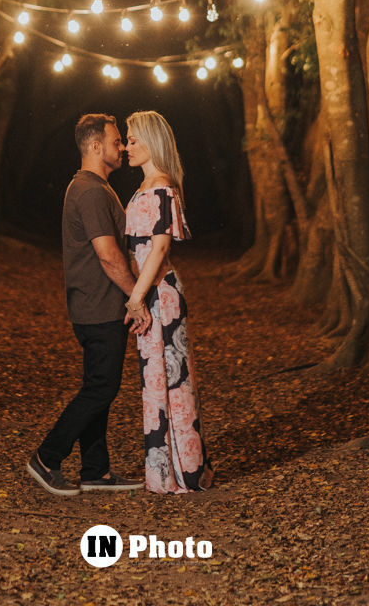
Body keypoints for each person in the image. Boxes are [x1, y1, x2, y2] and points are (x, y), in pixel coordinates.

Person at [27, 113, 149, 497]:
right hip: (99, 306)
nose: (122, 147)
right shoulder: (92, 191)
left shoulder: (86, 187)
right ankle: (47, 457)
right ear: (95, 147)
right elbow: (108, 255)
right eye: (116, 141)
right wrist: (136, 299)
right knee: (101, 388)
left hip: (94, 304)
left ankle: (96, 470)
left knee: (99, 386)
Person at [123, 110, 213, 494]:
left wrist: (136, 299)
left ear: (151, 142)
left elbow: (159, 248)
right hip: (149, 293)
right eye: (127, 140)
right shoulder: (145, 187)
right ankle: (164, 474)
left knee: (172, 379)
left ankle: (185, 472)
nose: (127, 147)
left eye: (133, 140)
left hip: (161, 294)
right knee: (155, 379)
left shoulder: (161, 189)